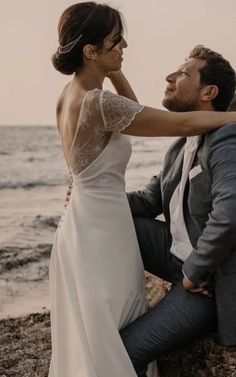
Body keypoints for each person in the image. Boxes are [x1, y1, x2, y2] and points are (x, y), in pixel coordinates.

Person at [49, 2, 236, 375]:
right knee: (109, 335)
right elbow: (179, 123)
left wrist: (113, 68)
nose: (124, 48)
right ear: (90, 52)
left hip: (86, 224)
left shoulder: (69, 97)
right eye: (116, 42)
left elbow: (130, 109)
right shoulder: (99, 103)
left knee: (100, 330)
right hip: (100, 231)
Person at [120, 46, 236, 377]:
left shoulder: (226, 139)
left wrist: (193, 273)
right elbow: (148, 200)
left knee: (127, 351)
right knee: (117, 223)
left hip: (207, 286)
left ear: (208, 92)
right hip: (174, 258)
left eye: (183, 73)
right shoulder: (179, 145)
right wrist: (93, 198)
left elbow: (230, 212)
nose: (170, 78)